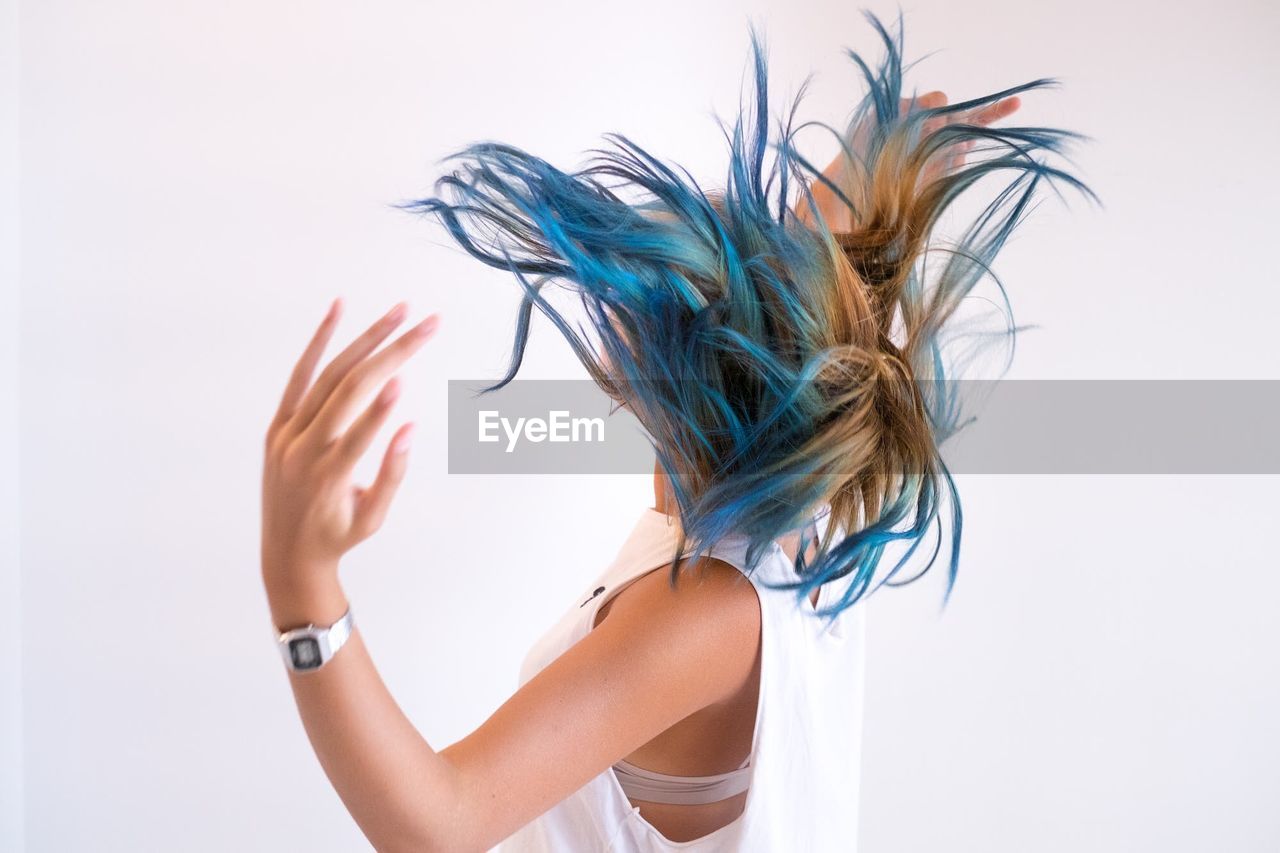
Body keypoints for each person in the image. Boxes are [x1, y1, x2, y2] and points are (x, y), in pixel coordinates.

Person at [258, 10, 1094, 852]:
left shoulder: (704, 616)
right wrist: (865, 166)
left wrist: (301, 587)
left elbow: (441, 821)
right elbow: (768, 323)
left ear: (679, 377)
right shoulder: (798, 509)